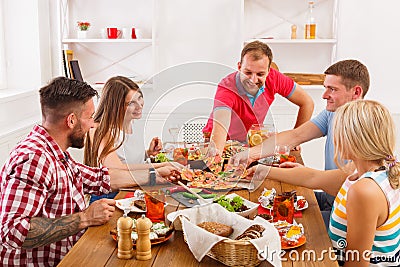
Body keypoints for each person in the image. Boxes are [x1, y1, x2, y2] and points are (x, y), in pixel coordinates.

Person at [248, 100, 400, 266]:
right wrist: (262, 171)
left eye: (338, 131)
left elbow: (356, 263)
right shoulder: (369, 170)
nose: (334, 138)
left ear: (356, 139)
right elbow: (312, 177)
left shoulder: (364, 191)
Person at [231, 59, 370, 224]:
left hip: (346, 213)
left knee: (276, 225)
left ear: (356, 92)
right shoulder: (332, 114)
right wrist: (251, 153)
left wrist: (263, 170)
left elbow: (340, 179)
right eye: (325, 88)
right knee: (263, 207)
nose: (325, 95)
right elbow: (295, 136)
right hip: (329, 198)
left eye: (332, 89)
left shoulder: (366, 128)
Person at [0, 77, 115, 265]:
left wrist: (155, 174)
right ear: (71, 120)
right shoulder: (35, 159)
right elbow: (12, 231)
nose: (92, 124)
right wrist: (85, 218)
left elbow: (99, 179)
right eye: (89, 116)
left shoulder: (55, 152)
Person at [202, 40, 314, 153]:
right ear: (239, 67)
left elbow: (307, 103)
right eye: (248, 73)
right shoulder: (226, 88)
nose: (253, 80)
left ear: (268, 71)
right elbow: (221, 125)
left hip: (248, 144)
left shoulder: (274, 78)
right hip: (219, 143)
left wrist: (296, 139)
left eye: (260, 74)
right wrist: (215, 155)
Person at [84, 76, 181, 202]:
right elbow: (116, 168)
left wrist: (148, 153)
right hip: (112, 197)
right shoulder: (99, 129)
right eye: (131, 103)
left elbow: (126, 160)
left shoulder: (129, 122)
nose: (139, 106)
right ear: (116, 106)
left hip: (134, 189)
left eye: (139, 98)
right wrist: (161, 166)